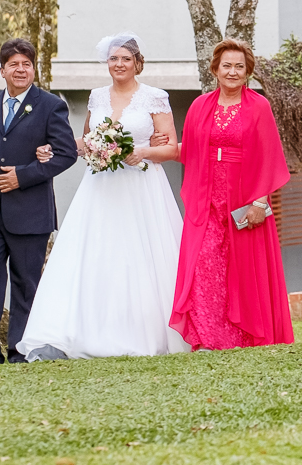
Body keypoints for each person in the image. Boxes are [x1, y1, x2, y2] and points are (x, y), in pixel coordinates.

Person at [16, 33, 192, 360]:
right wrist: (56, 148)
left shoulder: (155, 97)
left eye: (126, 58)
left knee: (142, 257)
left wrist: (142, 151)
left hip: (141, 187)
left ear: (138, 63)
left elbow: (170, 147)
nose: (119, 64)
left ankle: (147, 334)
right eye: (113, 59)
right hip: (100, 187)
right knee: (95, 254)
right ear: (107, 63)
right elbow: (86, 141)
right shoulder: (97, 97)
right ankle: (85, 333)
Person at [170, 39, 295, 350]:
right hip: (206, 199)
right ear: (215, 69)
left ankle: (245, 338)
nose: (232, 71)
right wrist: (154, 150)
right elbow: (192, 151)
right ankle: (210, 339)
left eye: (239, 66)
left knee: (243, 272)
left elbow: (269, 156)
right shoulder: (200, 106)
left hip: (244, 199)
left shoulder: (259, 107)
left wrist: (259, 202)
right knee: (204, 266)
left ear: (247, 71)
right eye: (227, 65)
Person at [0, 39, 78, 367]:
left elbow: (66, 153)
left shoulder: (50, 105)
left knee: (26, 284)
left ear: (33, 69)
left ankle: (19, 350)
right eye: (14, 64)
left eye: (26, 64)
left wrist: (23, 176)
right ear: (2, 70)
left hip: (30, 211)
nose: (20, 69)